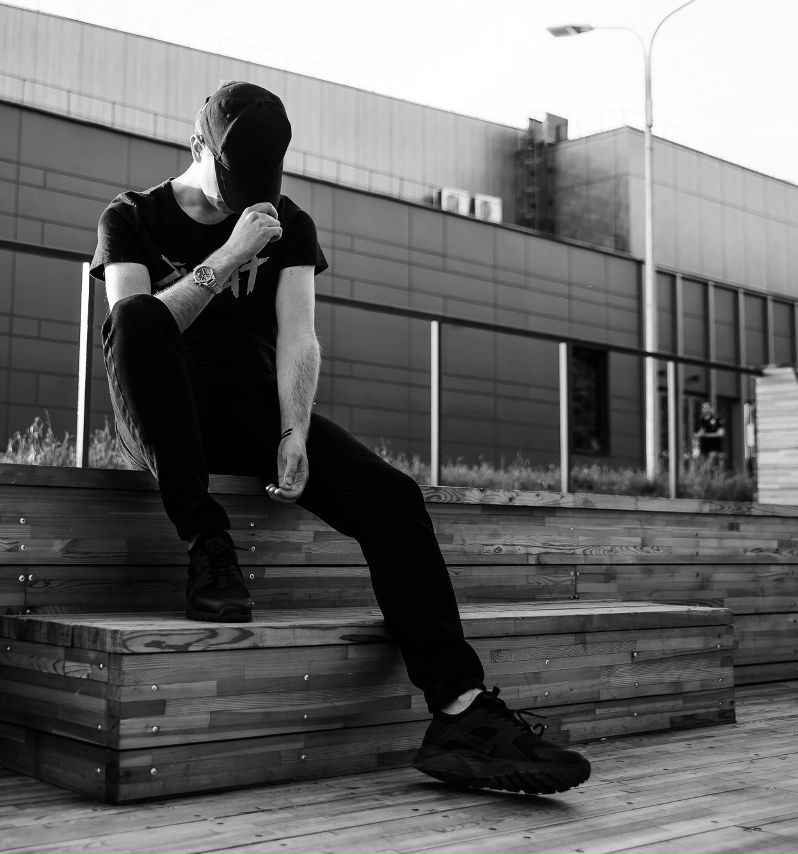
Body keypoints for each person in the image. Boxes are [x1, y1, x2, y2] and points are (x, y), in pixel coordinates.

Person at [89, 81, 590, 795]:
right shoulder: (131, 216)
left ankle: (461, 711)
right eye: (235, 183)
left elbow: (300, 337)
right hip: (164, 417)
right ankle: (208, 543)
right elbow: (138, 333)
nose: (248, 201)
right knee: (139, 315)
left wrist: (294, 430)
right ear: (197, 146)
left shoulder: (288, 221)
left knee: (392, 497)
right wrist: (230, 255)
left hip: (252, 414)